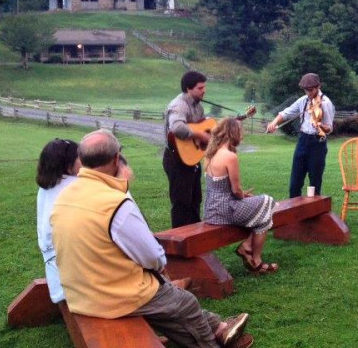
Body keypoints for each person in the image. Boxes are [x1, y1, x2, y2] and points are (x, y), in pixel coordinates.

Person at [51, 129, 253, 348]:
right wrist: (157, 269)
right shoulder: (115, 203)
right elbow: (152, 257)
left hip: (80, 292)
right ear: (116, 158)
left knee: (172, 301)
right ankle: (214, 340)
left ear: (82, 160)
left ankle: (220, 329)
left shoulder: (65, 196)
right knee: (185, 303)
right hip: (110, 297)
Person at [204, 117, 277, 274]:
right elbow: (236, 190)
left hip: (211, 210)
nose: (241, 136)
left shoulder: (210, 154)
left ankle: (253, 255)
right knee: (268, 201)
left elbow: (222, 187)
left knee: (263, 217)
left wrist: (242, 195)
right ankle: (250, 252)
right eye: (240, 132)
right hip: (226, 210)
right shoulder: (230, 156)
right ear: (233, 133)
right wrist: (243, 196)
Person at [266, 73, 335, 198]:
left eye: (311, 90)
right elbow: (286, 113)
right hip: (303, 141)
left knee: (315, 181)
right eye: (305, 90)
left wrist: (320, 125)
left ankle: (314, 213)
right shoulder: (303, 101)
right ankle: (294, 213)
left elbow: (329, 128)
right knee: (295, 181)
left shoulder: (325, 103)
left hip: (318, 143)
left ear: (318, 86)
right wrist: (274, 123)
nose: (308, 93)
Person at [36, 138, 80, 304]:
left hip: (57, 280)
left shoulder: (46, 187)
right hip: (76, 284)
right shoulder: (76, 185)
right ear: (68, 164)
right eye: (79, 157)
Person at [164, 70, 210, 227]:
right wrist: (200, 135)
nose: (204, 91)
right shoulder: (179, 105)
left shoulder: (199, 107)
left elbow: (202, 125)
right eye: (200, 88)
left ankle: (195, 239)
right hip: (176, 159)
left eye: (204, 87)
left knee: (195, 199)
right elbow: (176, 127)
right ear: (188, 89)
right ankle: (179, 243)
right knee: (181, 203)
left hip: (192, 159)